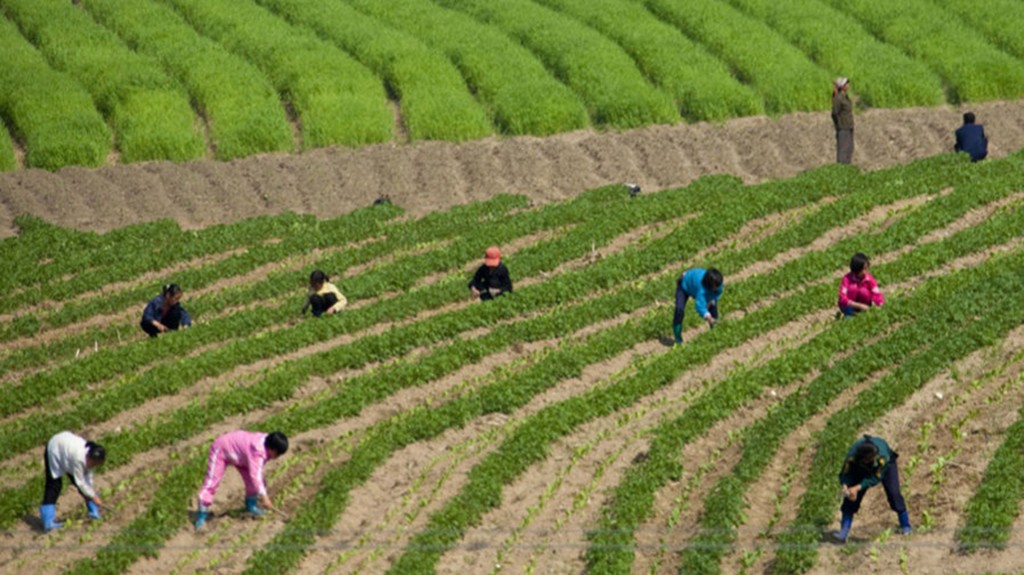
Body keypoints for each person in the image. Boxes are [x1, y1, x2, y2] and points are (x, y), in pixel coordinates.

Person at [194, 430, 289, 530]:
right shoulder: (257, 452)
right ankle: (201, 515)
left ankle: (251, 506)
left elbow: (256, 477)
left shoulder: (266, 443)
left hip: (242, 457)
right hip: (222, 449)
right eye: (277, 454)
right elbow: (256, 476)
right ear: (272, 449)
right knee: (212, 482)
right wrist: (265, 498)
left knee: (253, 484)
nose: (277, 457)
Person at [834, 434, 911, 543]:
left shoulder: (882, 457)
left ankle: (905, 525)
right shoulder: (852, 456)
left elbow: (874, 478)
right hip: (860, 468)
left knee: (894, 493)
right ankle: (843, 532)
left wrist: (857, 487)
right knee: (849, 499)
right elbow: (846, 472)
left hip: (887, 468)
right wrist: (846, 486)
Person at [40, 431, 106, 532]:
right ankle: (48, 521)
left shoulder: (91, 458)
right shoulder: (80, 459)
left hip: (67, 453)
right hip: (55, 449)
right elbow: (80, 482)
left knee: (84, 487)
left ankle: (93, 511)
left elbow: (88, 479)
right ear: (89, 456)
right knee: (54, 485)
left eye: (95, 463)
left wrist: (93, 495)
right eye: (92, 461)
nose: (92, 464)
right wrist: (94, 497)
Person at [672, 267, 723, 345]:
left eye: (717, 286)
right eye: (715, 286)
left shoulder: (718, 285)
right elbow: (700, 306)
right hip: (684, 285)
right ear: (709, 284)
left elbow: (716, 295)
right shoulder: (702, 288)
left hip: (693, 283)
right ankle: (678, 339)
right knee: (679, 310)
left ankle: (715, 335)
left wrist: (710, 302)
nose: (717, 288)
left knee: (713, 308)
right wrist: (708, 316)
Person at [837, 253, 884, 318]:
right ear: (857, 269)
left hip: (864, 306)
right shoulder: (846, 279)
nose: (865, 272)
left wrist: (880, 304)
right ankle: (850, 314)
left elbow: (876, 293)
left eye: (866, 268)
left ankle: (860, 313)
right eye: (863, 269)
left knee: (863, 291)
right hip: (849, 306)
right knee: (853, 288)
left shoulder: (869, 279)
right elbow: (842, 298)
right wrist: (860, 306)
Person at [831, 77, 854, 164]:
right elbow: (834, 113)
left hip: (849, 125)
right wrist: (838, 124)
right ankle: (841, 167)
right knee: (843, 149)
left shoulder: (845, 96)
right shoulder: (838, 98)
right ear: (842, 86)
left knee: (849, 148)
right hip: (843, 126)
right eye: (846, 84)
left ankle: (847, 166)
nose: (848, 86)